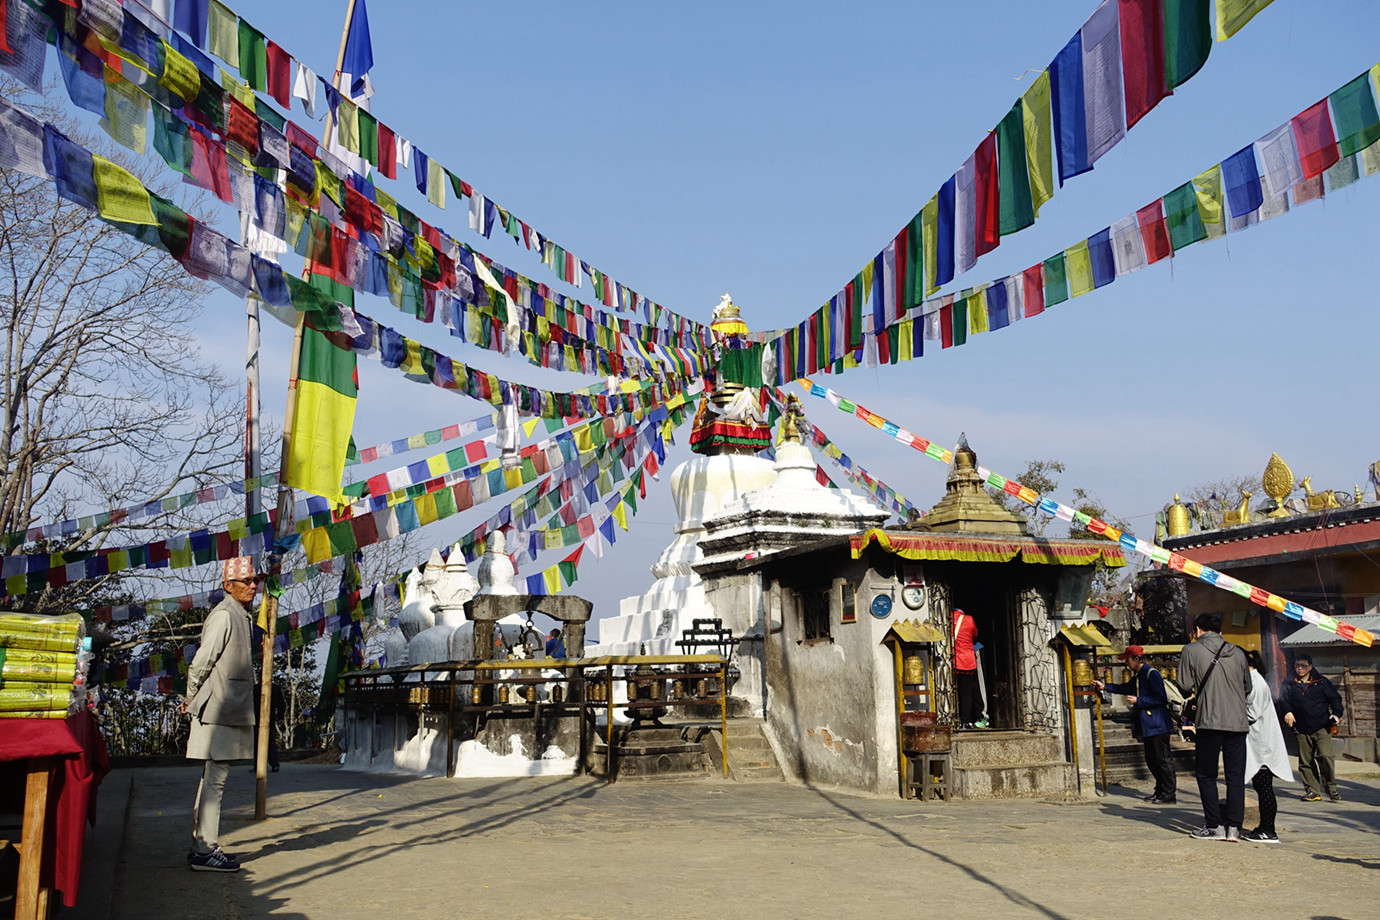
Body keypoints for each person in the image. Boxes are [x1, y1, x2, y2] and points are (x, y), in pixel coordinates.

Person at [183, 556, 259, 872]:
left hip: (229, 707)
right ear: (228, 586)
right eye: (246, 581)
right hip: (218, 709)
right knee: (216, 779)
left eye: (255, 580)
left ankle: (203, 845)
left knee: (214, 777)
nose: (253, 586)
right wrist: (192, 698)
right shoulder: (225, 615)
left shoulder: (241, 615)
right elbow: (200, 663)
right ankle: (204, 849)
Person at [1177, 612, 1252, 842]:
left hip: (1209, 721)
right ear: (1220, 631)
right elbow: (1247, 687)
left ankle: (1213, 825)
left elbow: (1184, 685)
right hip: (1238, 723)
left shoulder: (1191, 650)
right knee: (1235, 776)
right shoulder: (1238, 652)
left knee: (1207, 775)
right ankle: (1234, 828)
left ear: (1198, 630)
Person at [1093, 645, 1176, 804]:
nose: (1127, 664)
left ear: (1137, 659)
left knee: (1163, 759)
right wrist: (1106, 687)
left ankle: (1169, 792)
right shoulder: (1139, 675)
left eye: (1128, 660)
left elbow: (1161, 698)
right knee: (1151, 760)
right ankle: (1159, 790)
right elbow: (1126, 688)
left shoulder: (1152, 674)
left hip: (1158, 724)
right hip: (1147, 725)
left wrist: (1140, 700)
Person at [1242, 650, 1293, 844]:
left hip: (1262, 745)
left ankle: (1269, 830)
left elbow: (1252, 713)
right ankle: (1264, 827)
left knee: (1264, 788)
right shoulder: (1253, 681)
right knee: (1260, 786)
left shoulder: (1256, 683)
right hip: (1257, 743)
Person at [1280, 652, 1344, 802]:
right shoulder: (1289, 682)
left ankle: (1331, 788)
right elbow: (1284, 700)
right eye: (1297, 666)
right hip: (1301, 727)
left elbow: (1335, 699)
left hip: (1321, 726)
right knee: (1305, 761)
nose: (1300, 669)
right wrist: (1288, 711)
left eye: (1303, 666)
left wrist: (1336, 714)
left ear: (1310, 666)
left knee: (1325, 756)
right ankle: (1312, 791)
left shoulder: (1321, 682)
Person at [952, 608, 985, 729]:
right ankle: (965, 721)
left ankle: (952, 717)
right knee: (967, 692)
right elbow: (975, 633)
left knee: (953, 691)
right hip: (967, 661)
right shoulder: (968, 619)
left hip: (952, 660)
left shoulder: (948, 619)